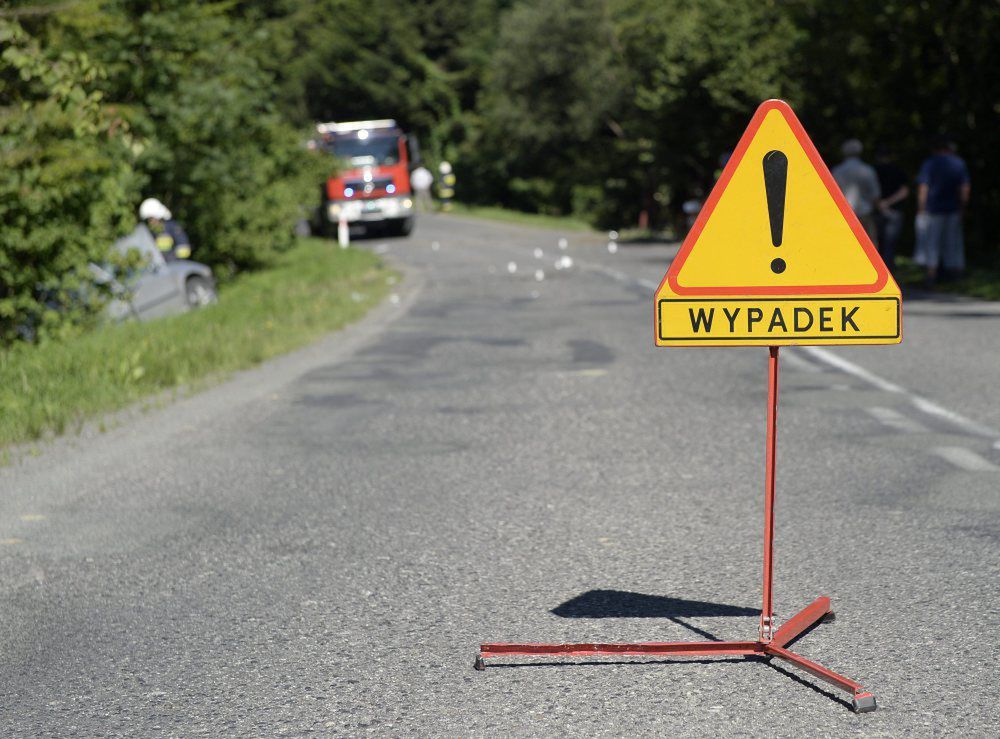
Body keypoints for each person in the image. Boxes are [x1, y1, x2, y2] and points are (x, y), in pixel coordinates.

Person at [914, 135, 970, 284]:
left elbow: (923, 187)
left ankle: (931, 275)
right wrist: (963, 207)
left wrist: (921, 208)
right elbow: (964, 188)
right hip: (953, 209)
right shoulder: (958, 163)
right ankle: (954, 274)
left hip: (933, 209)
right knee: (953, 242)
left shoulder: (930, 163)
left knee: (932, 243)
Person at [831, 139, 881, 245]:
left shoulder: (837, 171)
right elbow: (875, 195)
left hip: (842, 215)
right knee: (868, 247)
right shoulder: (867, 170)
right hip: (864, 215)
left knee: (843, 245)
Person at [873, 147, 909, 272]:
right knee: (890, 245)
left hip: (877, 211)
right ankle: (889, 273)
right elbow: (904, 192)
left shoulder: (873, 171)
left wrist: (880, 204)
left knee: (877, 244)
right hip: (895, 211)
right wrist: (889, 203)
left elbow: (870, 191)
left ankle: (878, 271)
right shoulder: (898, 170)